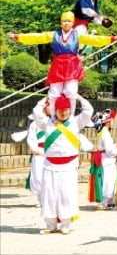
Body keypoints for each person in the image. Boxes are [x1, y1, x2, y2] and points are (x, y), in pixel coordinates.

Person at [7, 12, 117, 114]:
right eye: (64, 21)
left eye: (69, 21)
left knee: (70, 91)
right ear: (61, 22)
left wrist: (110, 39)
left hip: (72, 65)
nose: (66, 23)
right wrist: (19, 37)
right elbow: (38, 37)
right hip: (58, 65)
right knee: (54, 92)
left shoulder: (78, 35)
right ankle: (52, 117)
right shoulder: (54, 34)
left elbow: (93, 40)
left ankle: (70, 117)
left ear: (73, 23)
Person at [31, 94, 94, 235]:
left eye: (66, 109)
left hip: (69, 165)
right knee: (49, 194)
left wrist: (78, 97)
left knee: (66, 194)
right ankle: (50, 225)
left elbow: (88, 111)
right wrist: (46, 98)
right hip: (50, 166)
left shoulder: (76, 122)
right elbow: (36, 112)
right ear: (55, 110)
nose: (64, 112)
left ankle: (66, 224)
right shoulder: (47, 123)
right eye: (60, 110)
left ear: (70, 109)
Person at [88, 109, 117, 211]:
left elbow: (107, 148)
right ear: (108, 121)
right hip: (107, 161)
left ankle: (109, 201)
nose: (113, 122)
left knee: (107, 180)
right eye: (112, 119)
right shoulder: (106, 134)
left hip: (104, 159)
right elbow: (110, 151)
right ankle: (104, 202)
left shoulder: (102, 132)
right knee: (109, 180)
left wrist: (116, 145)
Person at [25, 99, 50, 208]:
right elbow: (31, 137)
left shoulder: (54, 122)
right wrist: (34, 149)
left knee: (50, 177)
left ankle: (49, 199)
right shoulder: (35, 123)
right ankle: (40, 200)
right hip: (39, 152)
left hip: (51, 152)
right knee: (38, 176)